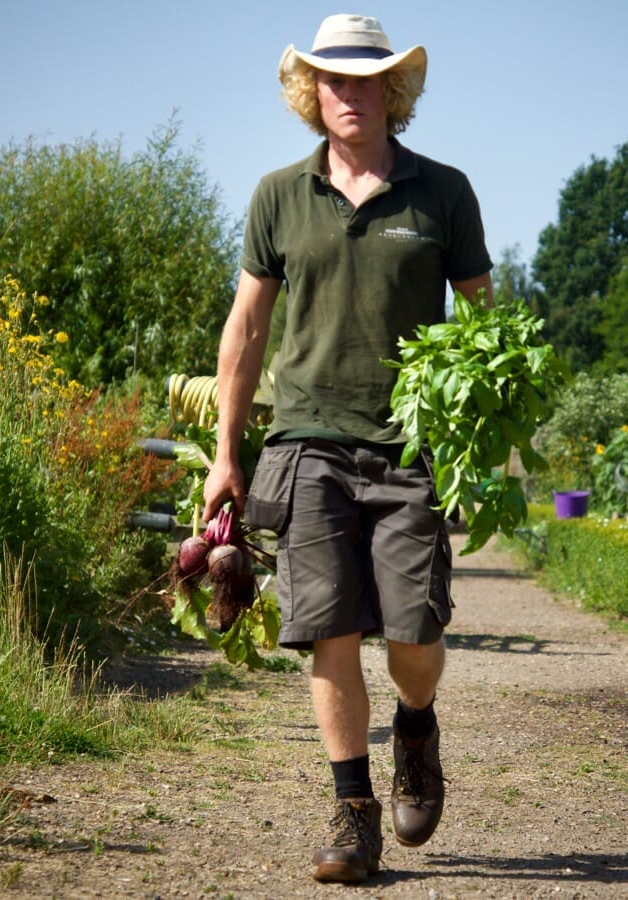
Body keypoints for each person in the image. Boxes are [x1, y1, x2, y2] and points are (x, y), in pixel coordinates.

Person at [201, 13, 493, 884]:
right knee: (328, 628)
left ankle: (416, 724)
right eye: (333, 79)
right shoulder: (278, 195)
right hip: (307, 442)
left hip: (411, 446)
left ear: (392, 90)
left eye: (366, 79)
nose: (349, 92)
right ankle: (353, 810)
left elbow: (484, 320)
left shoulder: (443, 192)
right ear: (311, 92)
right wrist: (226, 453)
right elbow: (246, 330)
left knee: (412, 632)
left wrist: (475, 440)